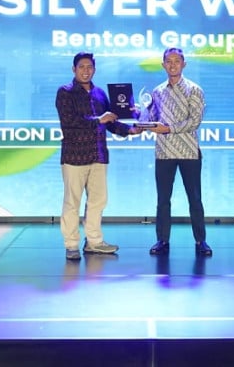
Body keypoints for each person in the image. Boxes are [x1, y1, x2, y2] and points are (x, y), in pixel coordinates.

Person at [55, 51, 141, 261]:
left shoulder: (100, 93)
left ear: (94, 69)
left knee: (98, 201)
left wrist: (130, 130)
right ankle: (71, 244)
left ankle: (94, 242)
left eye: (89, 67)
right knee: (72, 202)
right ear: (74, 69)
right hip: (74, 156)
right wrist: (98, 120)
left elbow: (110, 121)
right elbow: (69, 121)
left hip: (98, 155)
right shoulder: (65, 92)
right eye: (81, 67)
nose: (86, 71)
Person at [138, 47, 212, 257]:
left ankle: (201, 240)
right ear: (163, 65)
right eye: (168, 61)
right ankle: (162, 240)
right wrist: (138, 113)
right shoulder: (157, 91)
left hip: (188, 152)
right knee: (163, 200)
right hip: (164, 152)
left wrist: (168, 128)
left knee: (195, 199)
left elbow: (195, 121)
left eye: (176, 61)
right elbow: (152, 119)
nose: (172, 65)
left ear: (184, 64)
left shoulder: (194, 90)